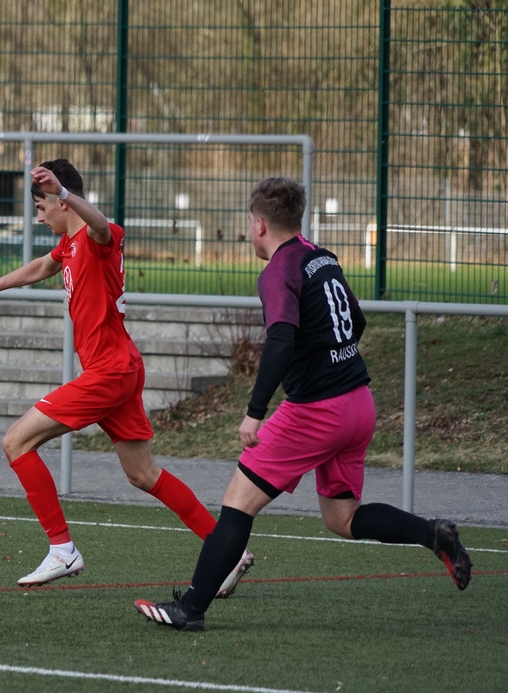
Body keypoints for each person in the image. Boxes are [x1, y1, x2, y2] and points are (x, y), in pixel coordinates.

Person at [134, 176, 473, 632]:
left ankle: (190, 608)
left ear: (259, 225)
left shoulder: (278, 270)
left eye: (249, 222)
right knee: (342, 517)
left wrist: (255, 411)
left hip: (318, 411)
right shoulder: (322, 257)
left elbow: (280, 340)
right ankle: (432, 533)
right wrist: (329, 357)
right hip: (359, 403)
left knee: (238, 502)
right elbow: (355, 320)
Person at [0, 158, 253, 590]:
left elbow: (99, 223)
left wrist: (62, 191)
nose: (40, 218)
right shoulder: (69, 245)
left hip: (109, 373)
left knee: (16, 441)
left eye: (42, 208)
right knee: (143, 474)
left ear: (62, 201)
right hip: (119, 369)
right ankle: (229, 551)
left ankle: (62, 549)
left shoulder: (99, 237)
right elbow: (42, 266)